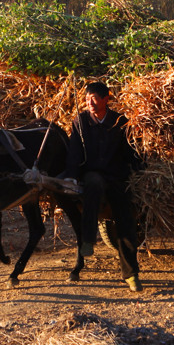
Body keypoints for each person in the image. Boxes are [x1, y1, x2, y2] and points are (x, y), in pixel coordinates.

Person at [62, 81, 145, 292]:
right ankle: (88, 240)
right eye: (87, 98)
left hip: (117, 176)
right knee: (92, 184)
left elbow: (130, 151)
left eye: (94, 98)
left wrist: (140, 167)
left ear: (106, 99)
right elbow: (74, 152)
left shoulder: (119, 121)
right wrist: (71, 177)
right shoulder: (80, 121)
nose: (89, 102)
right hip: (92, 173)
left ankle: (131, 274)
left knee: (125, 218)